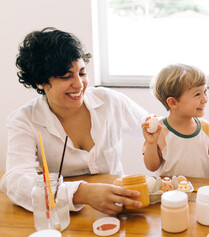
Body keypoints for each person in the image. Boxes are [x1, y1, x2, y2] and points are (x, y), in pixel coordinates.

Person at [0, 27, 149, 215]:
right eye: (66, 76)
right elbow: (14, 180)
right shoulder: (24, 120)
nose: (79, 84)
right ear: (40, 82)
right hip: (66, 217)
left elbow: (155, 127)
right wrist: (81, 192)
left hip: (121, 209)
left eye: (82, 73)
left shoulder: (110, 101)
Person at [142, 64, 209, 178]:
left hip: (198, 190)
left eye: (205, 91)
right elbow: (152, 167)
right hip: (169, 193)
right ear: (173, 102)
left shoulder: (205, 126)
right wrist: (151, 143)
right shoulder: (159, 130)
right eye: (197, 94)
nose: (205, 99)